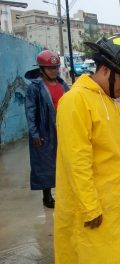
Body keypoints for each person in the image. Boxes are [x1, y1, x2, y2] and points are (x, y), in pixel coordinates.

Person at [54, 34, 120, 263]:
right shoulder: (75, 101)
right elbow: (76, 160)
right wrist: (90, 207)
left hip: (116, 207)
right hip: (95, 213)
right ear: (106, 70)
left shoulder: (108, 102)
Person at [25, 50, 69, 208]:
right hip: (45, 131)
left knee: (63, 161)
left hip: (62, 129)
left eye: (56, 67)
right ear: (42, 69)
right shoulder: (35, 88)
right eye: (51, 68)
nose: (54, 70)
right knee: (45, 163)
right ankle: (47, 196)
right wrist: (34, 133)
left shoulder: (62, 84)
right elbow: (30, 112)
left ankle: (65, 192)